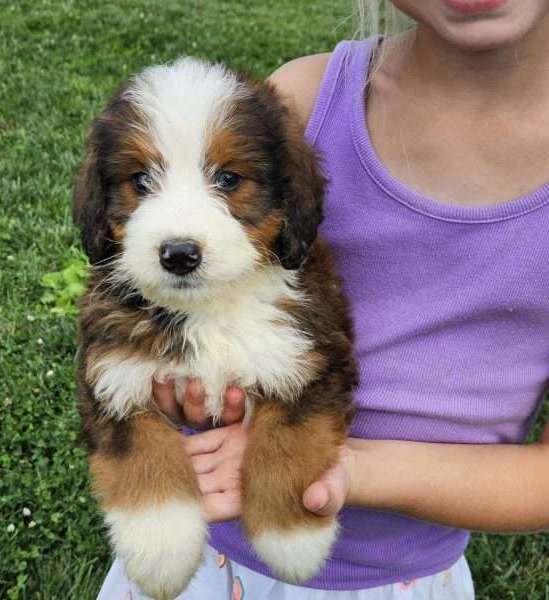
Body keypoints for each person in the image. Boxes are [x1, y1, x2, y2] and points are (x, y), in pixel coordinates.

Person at [98, 1, 549, 598]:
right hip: (212, 545)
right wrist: (185, 388)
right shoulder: (303, 100)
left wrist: (347, 468)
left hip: (406, 578)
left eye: (229, 183)